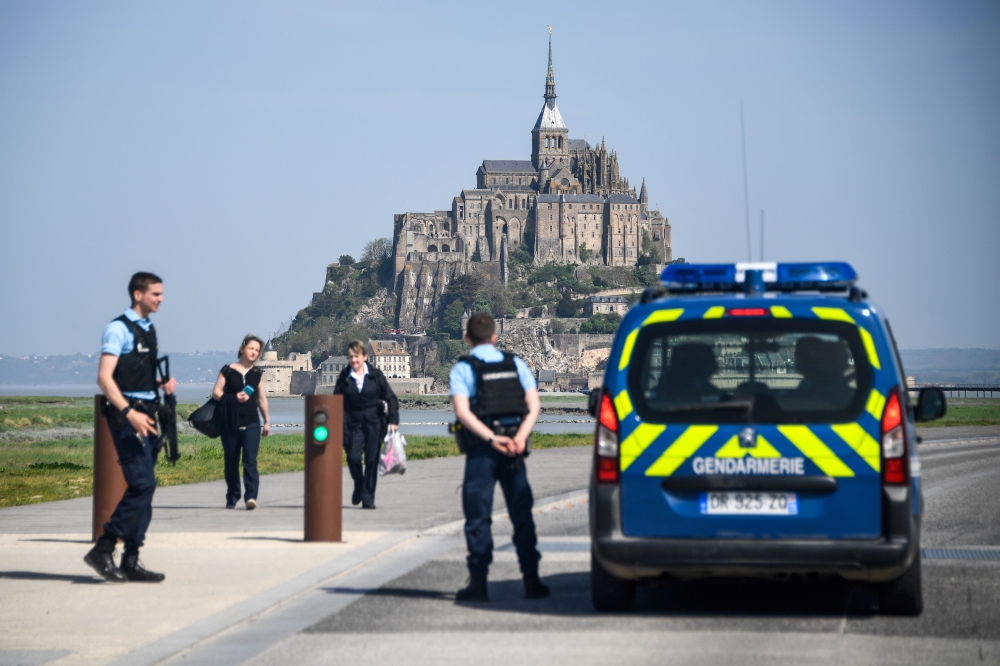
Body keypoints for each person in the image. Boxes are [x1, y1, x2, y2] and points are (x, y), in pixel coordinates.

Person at [450, 313, 549, 602]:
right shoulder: (515, 363)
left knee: (478, 515)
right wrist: (519, 438)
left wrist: (493, 439)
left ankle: (479, 583)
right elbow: (534, 405)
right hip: (515, 449)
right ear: (495, 337)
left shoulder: (463, 368)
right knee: (521, 512)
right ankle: (531, 580)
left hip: (483, 449)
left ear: (467, 338)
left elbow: (463, 413)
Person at [84, 272, 176, 583]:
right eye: (156, 294)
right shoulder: (117, 330)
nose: (161, 299)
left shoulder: (148, 329)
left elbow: (136, 373)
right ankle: (105, 547)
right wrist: (129, 412)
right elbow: (105, 378)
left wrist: (161, 384)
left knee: (146, 488)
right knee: (142, 484)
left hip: (149, 413)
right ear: (138, 295)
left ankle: (131, 559)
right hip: (128, 417)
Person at [333, 340, 399, 510]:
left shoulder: (375, 375)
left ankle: (368, 498)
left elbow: (390, 398)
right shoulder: (344, 377)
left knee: (371, 460)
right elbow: (335, 401)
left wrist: (393, 421)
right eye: (350, 358)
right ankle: (359, 484)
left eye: (356, 357)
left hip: (374, 422)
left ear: (364, 357)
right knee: (353, 457)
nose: (353, 361)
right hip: (352, 422)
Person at [211, 334, 271, 510]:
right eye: (251, 348)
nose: (254, 352)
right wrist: (234, 397)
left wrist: (267, 421)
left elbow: (261, 399)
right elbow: (216, 393)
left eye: (257, 350)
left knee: (250, 460)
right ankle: (232, 496)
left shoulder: (257, 374)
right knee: (231, 461)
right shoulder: (227, 371)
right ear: (242, 348)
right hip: (230, 422)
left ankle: (251, 496)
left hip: (252, 422)